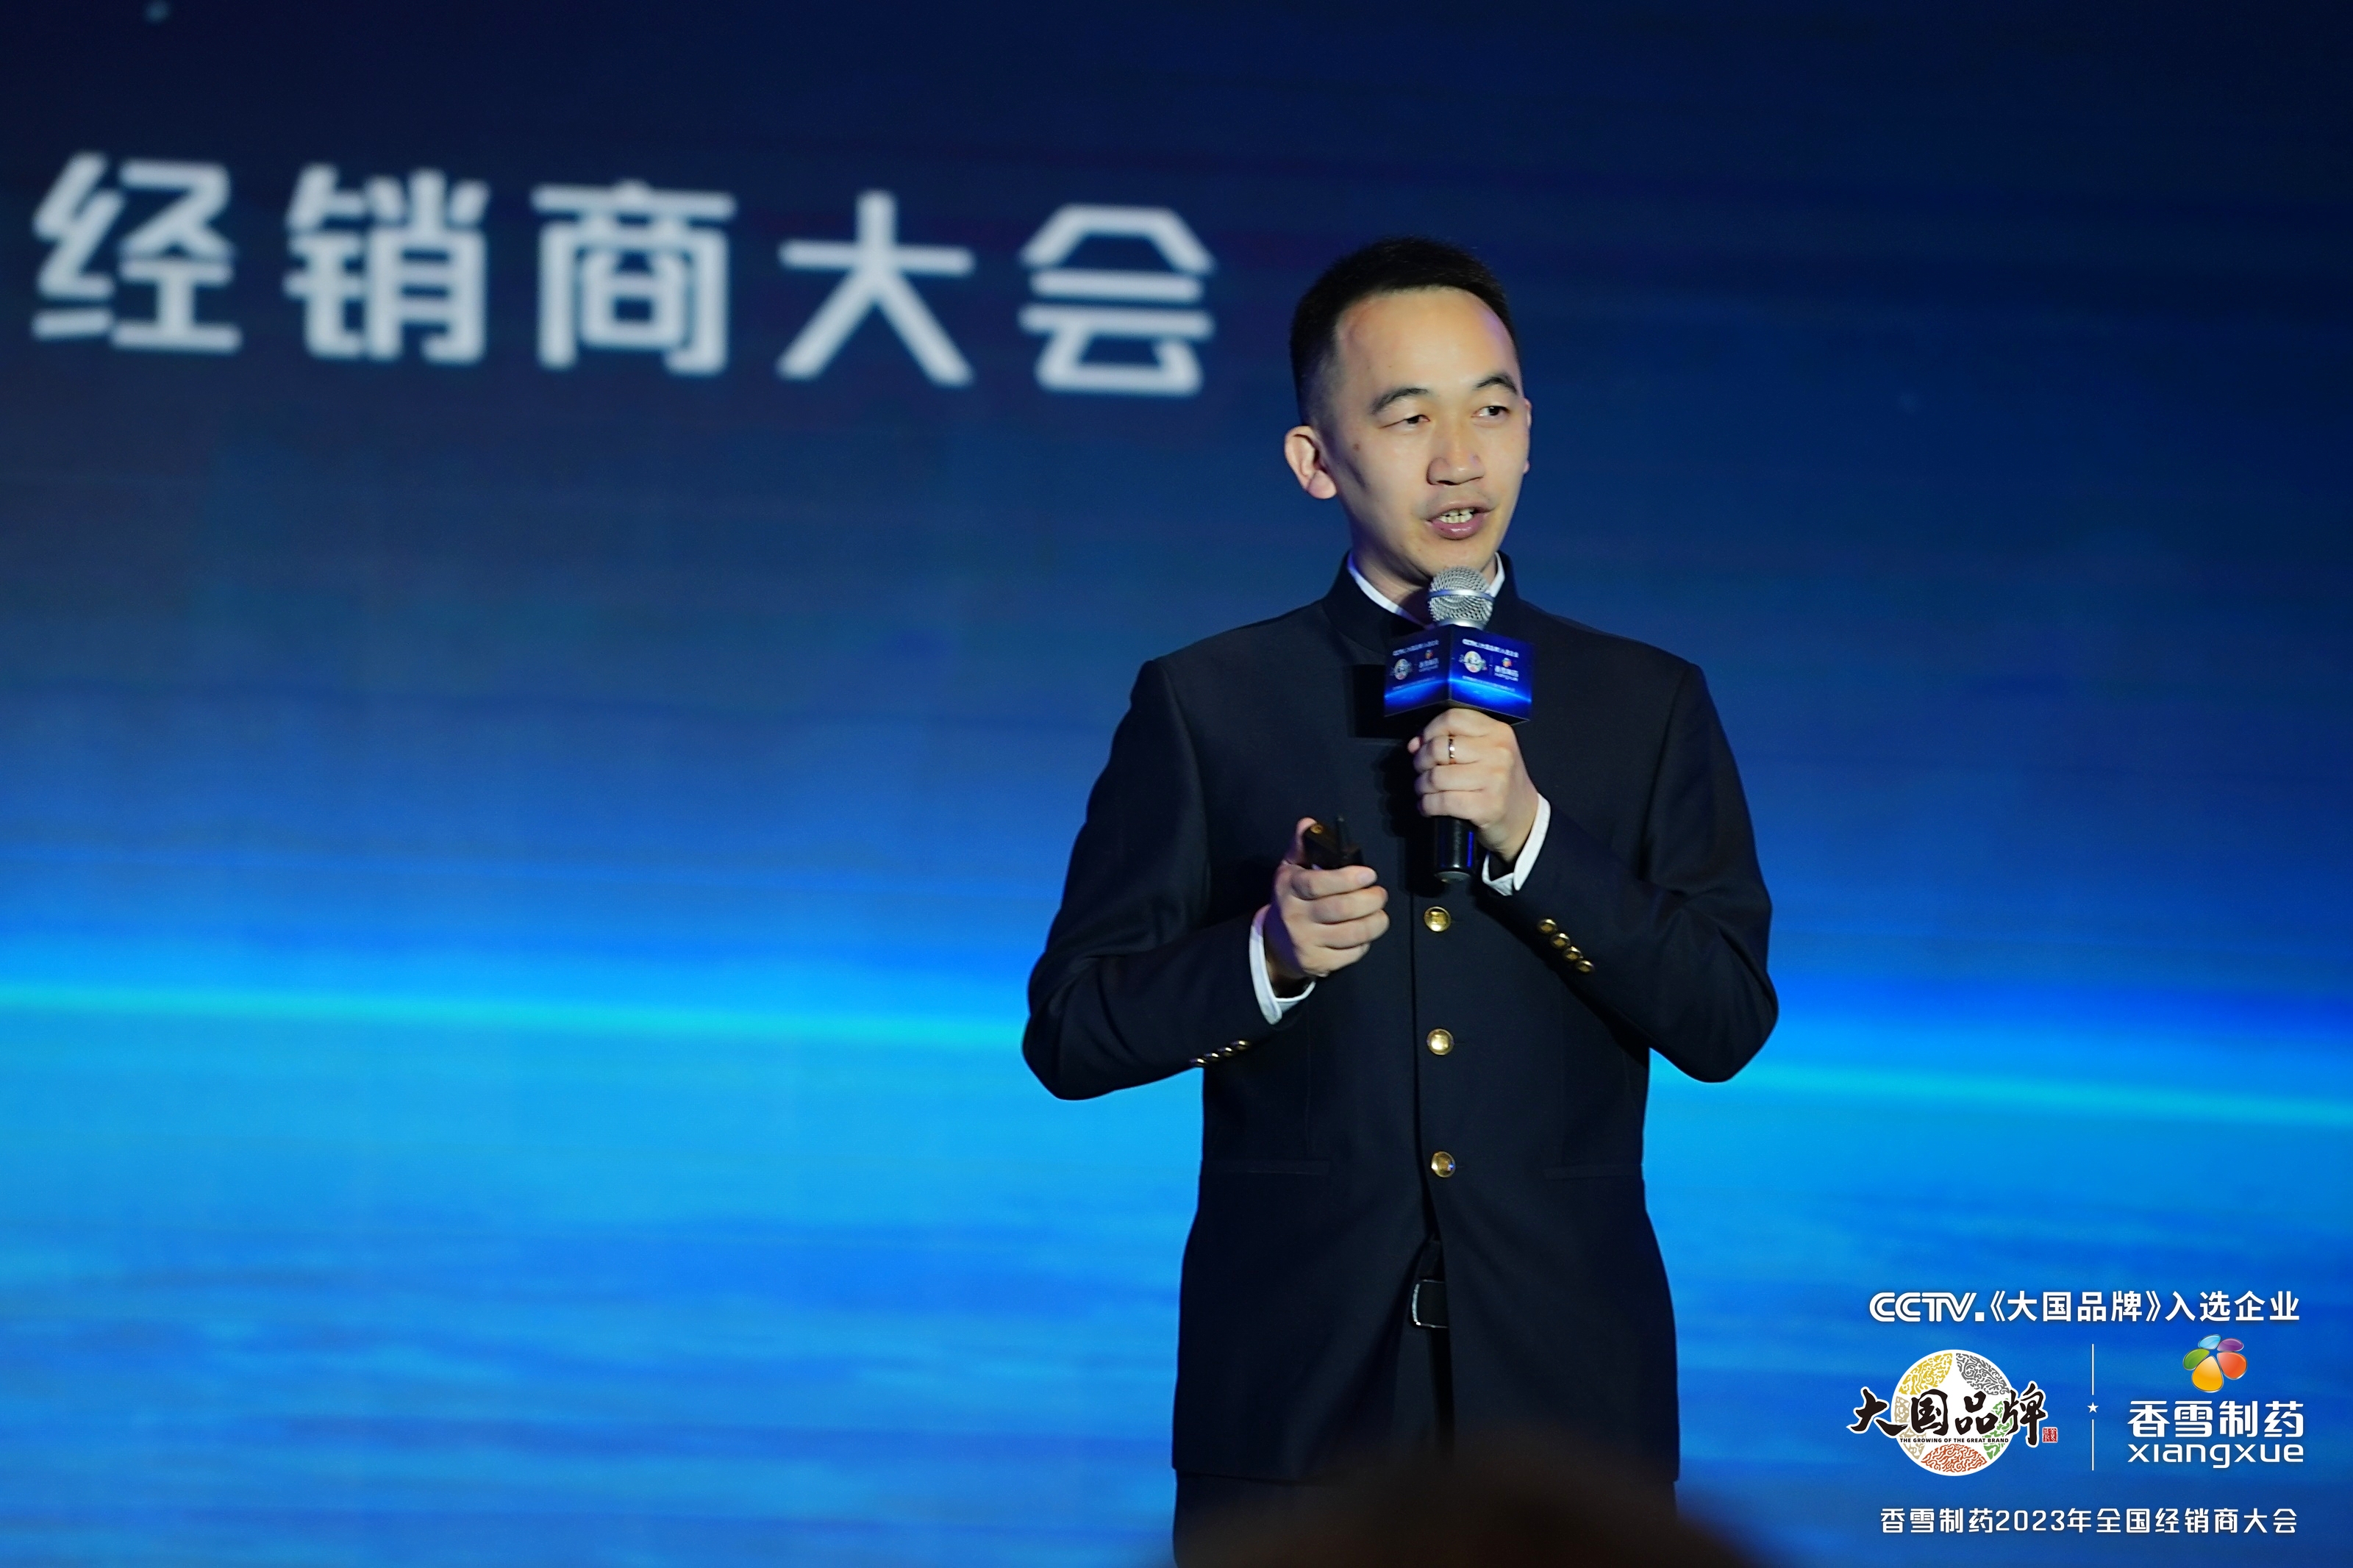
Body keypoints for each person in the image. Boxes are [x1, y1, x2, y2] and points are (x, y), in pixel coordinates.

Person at [1021, 237, 1776, 1561]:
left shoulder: (1647, 702)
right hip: (1296, 1416)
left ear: (1532, 431)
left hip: (1568, 1425)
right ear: (1317, 460)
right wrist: (1267, 956)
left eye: (1492, 409)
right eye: (1408, 416)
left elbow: (1725, 1020)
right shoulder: (1209, 701)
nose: (1458, 459)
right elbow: (1073, 1033)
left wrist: (1532, 837)